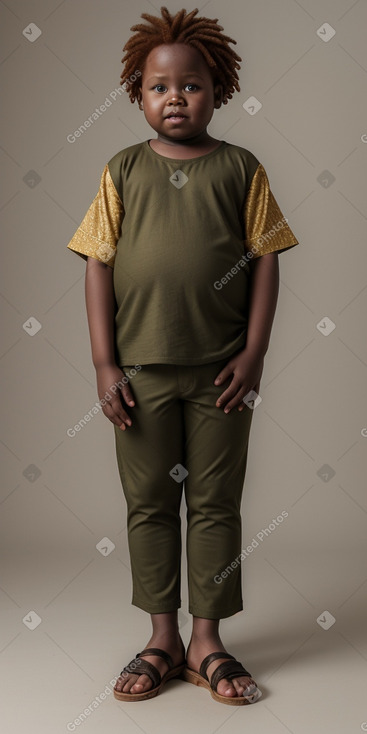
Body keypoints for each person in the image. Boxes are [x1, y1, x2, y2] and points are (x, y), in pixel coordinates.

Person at [66, 6, 299, 706]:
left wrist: (254, 353)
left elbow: (264, 259)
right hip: (139, 374)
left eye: (190, 86)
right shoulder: (122, 171)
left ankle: (207, 641)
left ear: (218, 89)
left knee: (215, 502)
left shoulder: (240, 168)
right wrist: (106, 364)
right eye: (158, 87)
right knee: (148, 503)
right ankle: (160, 636)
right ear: (137, 95)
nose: (175, 98)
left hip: (222, 374)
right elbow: (97, 265)